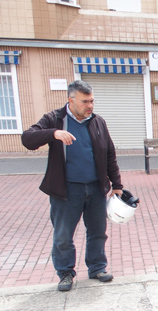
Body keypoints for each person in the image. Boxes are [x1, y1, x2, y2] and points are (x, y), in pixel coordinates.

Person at [21, 79, 123, 292]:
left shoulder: (98, 122)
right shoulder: (55, 119)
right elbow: (27, 139)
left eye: (92, 101)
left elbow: (109, 154)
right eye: (85, 101)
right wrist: (53, 133)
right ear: (71, 100)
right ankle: (66, 273)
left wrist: (117, 184)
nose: (90, 106)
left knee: (97, 231)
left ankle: (97, 267)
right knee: (63, 235)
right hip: (66, 190)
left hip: (96, 188)